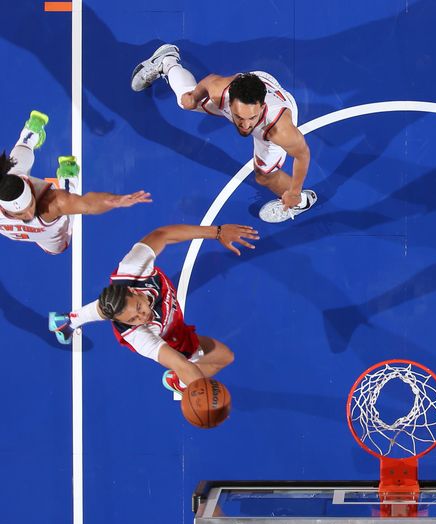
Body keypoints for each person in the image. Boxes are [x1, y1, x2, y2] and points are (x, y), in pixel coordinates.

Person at [48, 223, 259, 396]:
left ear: (134, 290)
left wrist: (218, 232)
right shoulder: (138, 335)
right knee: (224, 357)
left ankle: (67, 321)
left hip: (143, 301)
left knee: (109, 306)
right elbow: (180, 363)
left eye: (139, 307)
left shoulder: (133, 269)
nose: (143, 316)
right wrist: (202, 395)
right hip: (171, 334)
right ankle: (178, 383)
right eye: (134, 318)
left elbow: (163, 234)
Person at [130, 44, 317, 223]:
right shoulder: (220, 91)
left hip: (270, 110)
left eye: (251, 118)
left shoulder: (280, 130)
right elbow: (209, 80)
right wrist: (193, 98)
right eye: (238, 117)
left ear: (262, 106)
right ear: (230, 102)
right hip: (249, 82)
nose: (245, 125)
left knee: (263, 177)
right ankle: (167, 61)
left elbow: (302, 155)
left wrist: (294, 192)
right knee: (184, 101)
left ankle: (301, 201)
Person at [0, 110, 152, 254]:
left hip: (50, 233)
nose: (29, 214)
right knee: (14, 167)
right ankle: (31, 132)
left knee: (60, 241)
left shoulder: (51, 205)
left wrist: (116, 201)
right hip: (12, 187)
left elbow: (87, 205)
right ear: (5, 210)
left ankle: (68, 178)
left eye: (30, 204)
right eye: (20, 212)